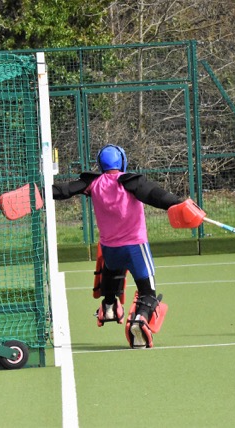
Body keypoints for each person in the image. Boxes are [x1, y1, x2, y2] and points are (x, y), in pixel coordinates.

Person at [52, 144, 187, 348]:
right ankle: (140, 319)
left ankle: (109, 306)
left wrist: (40, 193)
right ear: (123, 161)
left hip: (110, 249)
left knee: (111, 273)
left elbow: (65, 190)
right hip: (135, 247)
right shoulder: (131, 182)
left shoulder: (93, 183)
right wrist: (179, 203)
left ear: (100, 164)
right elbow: (156, 195)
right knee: (148, 293)